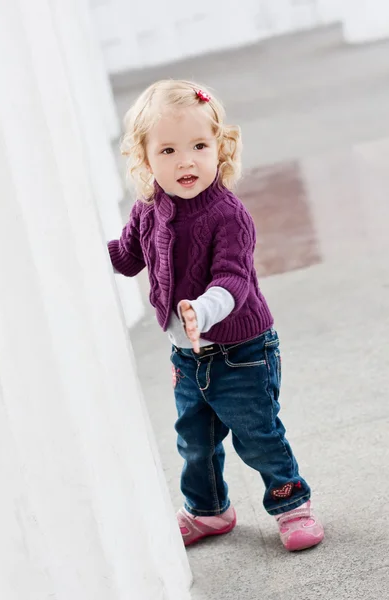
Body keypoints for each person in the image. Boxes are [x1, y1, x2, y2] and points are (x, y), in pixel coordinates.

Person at [108, 79, 324, 551]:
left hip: (241, 351)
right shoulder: (148, 210)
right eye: (167, 150)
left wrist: (201, 310)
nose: (186, 161)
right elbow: (125, 258)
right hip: (187, 358)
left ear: (219, 149)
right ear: (144, 159)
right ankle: (209, 511)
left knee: (258, 434)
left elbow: (233, 280)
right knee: (194, 441)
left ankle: (291, 504)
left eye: (199, 146)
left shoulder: (228, 215)